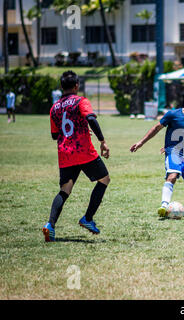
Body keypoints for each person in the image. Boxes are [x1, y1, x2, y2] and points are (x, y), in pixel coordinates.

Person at [42, 71, 111, 242]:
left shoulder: (54, 108)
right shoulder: (81, 101)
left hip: (65, 153)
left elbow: (54, 135)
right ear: (77, 86)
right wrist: (102, 141)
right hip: (83, 151)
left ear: (61, 87)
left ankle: (50, 225)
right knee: (104, 179)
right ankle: (87, 218)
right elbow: (91, 119)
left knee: (65, 190)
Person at [130, 91, 184, 218]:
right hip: (174, 152)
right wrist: (141, 142)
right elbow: (156, 128)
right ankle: (164, 205)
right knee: (172, 176)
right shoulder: (173, 114)